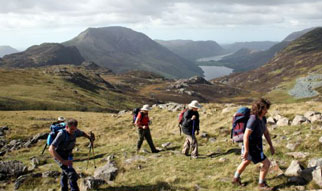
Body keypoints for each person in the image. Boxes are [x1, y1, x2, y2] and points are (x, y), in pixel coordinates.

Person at [232, 98, 274, 190]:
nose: (266, 111)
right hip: (252, 146)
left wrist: (271, 145)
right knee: (266, 163)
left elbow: (266, 132)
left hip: (256, 145)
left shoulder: (262, 118)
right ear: (259, 108)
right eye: (265, 109)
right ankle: (261, 185)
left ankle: (235, 179)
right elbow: (246, 136)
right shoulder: (253, 119)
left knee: (246, 161)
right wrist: (246, 150)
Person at [49, 118, 94, 191]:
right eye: (71, 129)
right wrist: (62, 161)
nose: (73, 131)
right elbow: (51, 149)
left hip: (68, 155)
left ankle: (64, 189)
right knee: (72, 174)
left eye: (75, 129)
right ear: (66, 127)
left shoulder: (75, 131)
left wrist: (89, 138)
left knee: (65, 173)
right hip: (59, 155)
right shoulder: (62, 134)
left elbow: (82, 133)